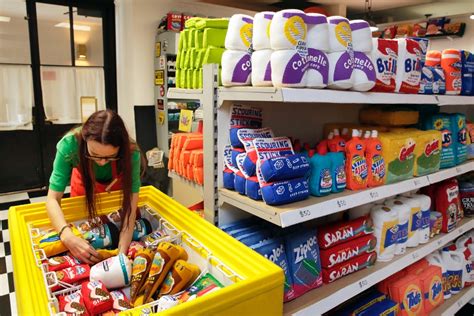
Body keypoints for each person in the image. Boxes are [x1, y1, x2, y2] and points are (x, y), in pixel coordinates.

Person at [46, 110, 142, 264]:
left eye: (110, 156)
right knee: (85, 229)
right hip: (84, 187)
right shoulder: (69, 145)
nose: (102, 162)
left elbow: (129, 208)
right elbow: (52, 199)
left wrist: (121, 256)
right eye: (94, 154)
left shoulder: (131, 152)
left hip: (114, 192)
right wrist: (68, 236)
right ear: (85, 139)